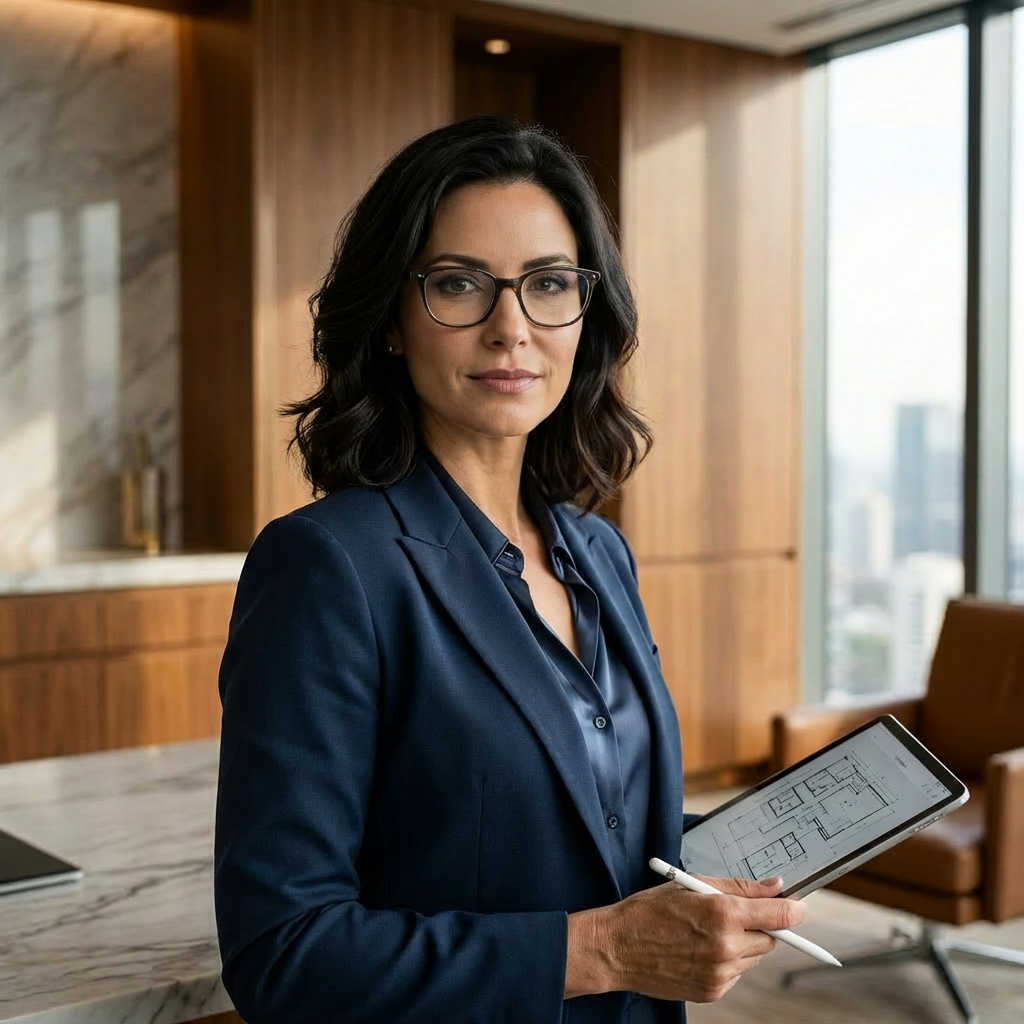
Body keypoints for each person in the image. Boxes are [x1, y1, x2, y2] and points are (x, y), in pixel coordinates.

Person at [214, 116, 804, 1024]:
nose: (510, 328)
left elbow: (590, 831)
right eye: (458, 285)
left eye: (548, 285)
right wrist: (603, 950)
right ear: (392, 325)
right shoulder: (328, 567)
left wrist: (745, 866)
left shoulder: (598, 553)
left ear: (585, 311)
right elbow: (283, 953)